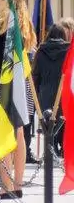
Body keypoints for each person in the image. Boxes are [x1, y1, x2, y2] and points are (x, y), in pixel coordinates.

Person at [0, 0, 37, 199]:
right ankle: (17, 183)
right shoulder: (25, 25)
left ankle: (7, 185)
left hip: (5, 82)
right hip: (21, 82)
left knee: (4, 131)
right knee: (19, 133)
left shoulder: (3, 27)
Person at [33, 23, 69, 157]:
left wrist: (37, 93)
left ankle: (50, 150)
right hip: (63, 92)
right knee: (64, 121)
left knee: (48, 125)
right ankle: (63, 149)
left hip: (45, 93)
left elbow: (36, 75)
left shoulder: (40, 51)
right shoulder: (68, 51)